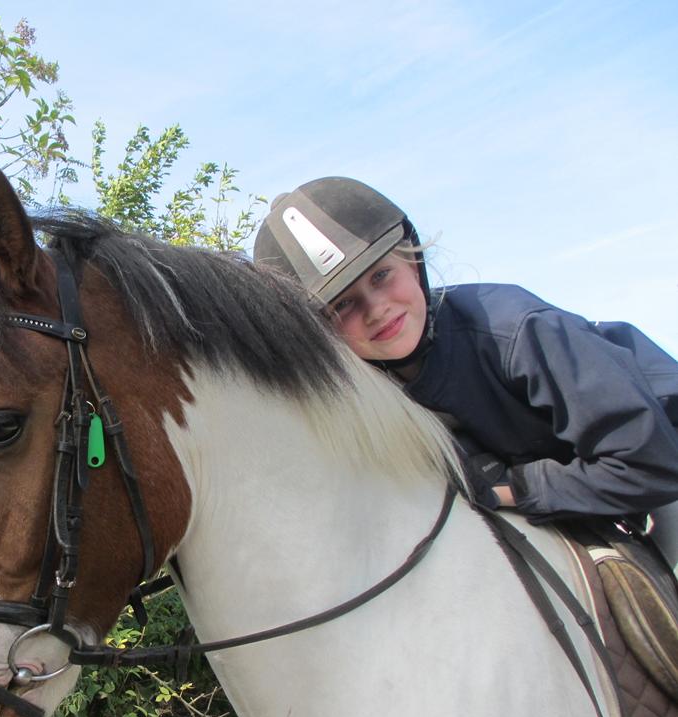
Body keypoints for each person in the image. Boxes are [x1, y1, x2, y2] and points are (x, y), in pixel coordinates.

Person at [251, 177, 678, 574]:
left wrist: (513, 490)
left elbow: (652, 465)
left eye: (381, 276)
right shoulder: (367, 390)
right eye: (342, 305)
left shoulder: (517, 329)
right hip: (579, 483)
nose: (376, 309)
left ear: (413, 263)